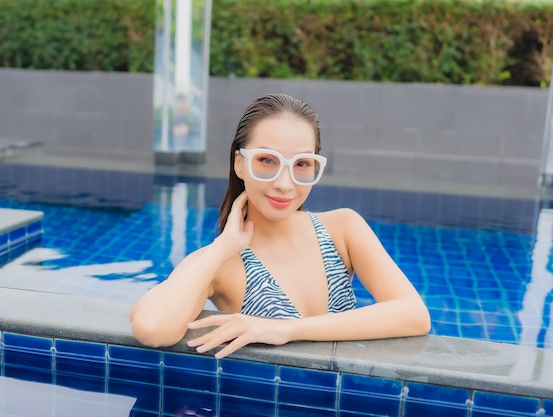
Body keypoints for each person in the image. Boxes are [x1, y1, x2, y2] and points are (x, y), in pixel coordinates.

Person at [130, 93, 431, 359]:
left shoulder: (343, 228)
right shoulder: (223, 263)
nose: (284, 184)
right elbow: (152, 328)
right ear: (239, 163)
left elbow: (414, 315)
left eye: (301, 164)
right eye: (267, 160)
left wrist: (286, 329)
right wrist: (223, 247)